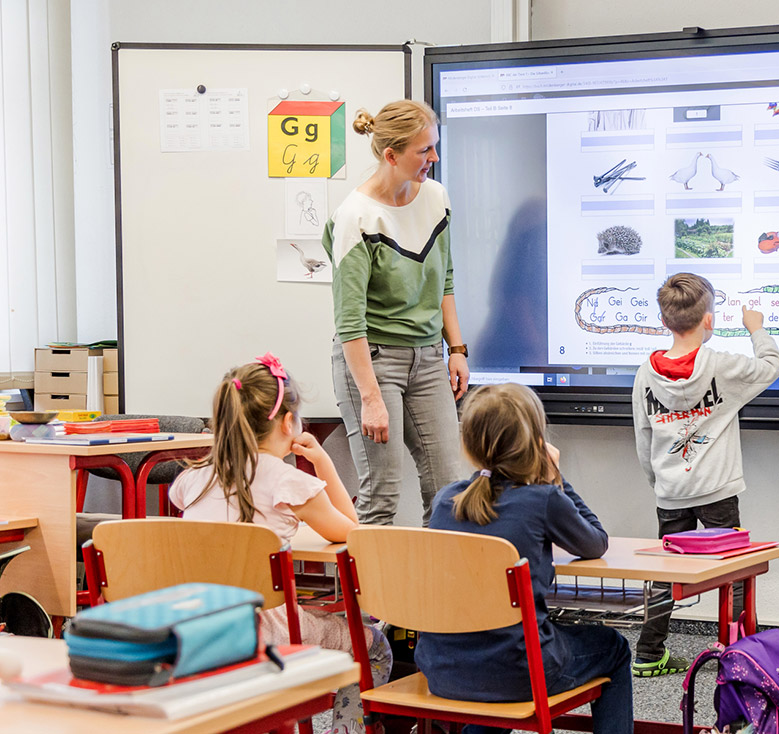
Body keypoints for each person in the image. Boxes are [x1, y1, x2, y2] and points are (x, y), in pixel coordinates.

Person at [168, 354, 391, 731]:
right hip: (263, 632)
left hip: (194, 624)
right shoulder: (288, 481)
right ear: (289, 423)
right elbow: (353, 531)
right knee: (373, 645)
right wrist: (323, 463)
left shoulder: (195, 479)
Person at [416, 383, 634, 734]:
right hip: (519, 671)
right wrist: (556, 477)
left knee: (499, 652)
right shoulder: (543, 498)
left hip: (443, 670)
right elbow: (595, 543)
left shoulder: (445, 501)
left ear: (469, 443)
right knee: (614, 647)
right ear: (533, 442)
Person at [324, 99, 468, 527]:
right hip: (372, 361)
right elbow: (349, 321)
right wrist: (370, 397)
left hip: (426, 359)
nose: (434, 159)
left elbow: (445, 280)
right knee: (382, 491)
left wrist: (456, 349)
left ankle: (434, 592)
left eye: (434, 147)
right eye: (425, 151)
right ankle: (370, 596)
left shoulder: (436, 197)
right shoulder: (356, 217)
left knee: (449, 489)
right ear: (391, 155)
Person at [631, 273, 779, 677]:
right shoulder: (721, 366)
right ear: (709, 321)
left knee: (664, 576)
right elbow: (771, 366)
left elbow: (643, 437)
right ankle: (732, 656)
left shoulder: (645, 373)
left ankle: (647, 653)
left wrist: (660, 484)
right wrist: (757, 328)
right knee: (732, 576)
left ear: (664, 321)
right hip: (717, 490)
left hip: (670, 492)